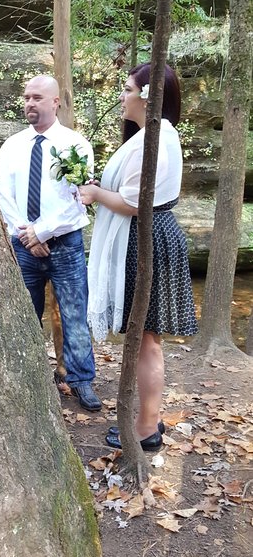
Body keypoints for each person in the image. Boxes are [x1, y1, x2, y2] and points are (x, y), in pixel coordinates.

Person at [78, 62, 198, 451]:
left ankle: (147, 428)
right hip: (147, 236)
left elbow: (134, 203)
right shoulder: (151, 135)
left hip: (147, 240)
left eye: (128, 89)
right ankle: (147, 419)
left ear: (148, 98)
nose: (122, 96)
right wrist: (102, 189)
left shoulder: (157, 139)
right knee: (146, 338)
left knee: (147, 340)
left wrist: (95, 194)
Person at [0, 74, 101, 411]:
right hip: (23, 245)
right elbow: (4, 196)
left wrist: (43, 233)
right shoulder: (11, 147)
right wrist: (27, 235)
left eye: (37, 98)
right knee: (25, 313)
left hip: (65, 243)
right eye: (27, 97)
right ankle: (27, 378)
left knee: (74, 313)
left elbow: (77, 200)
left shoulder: (75, 146)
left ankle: (81, 379)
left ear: (56, 102)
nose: (29, 103)